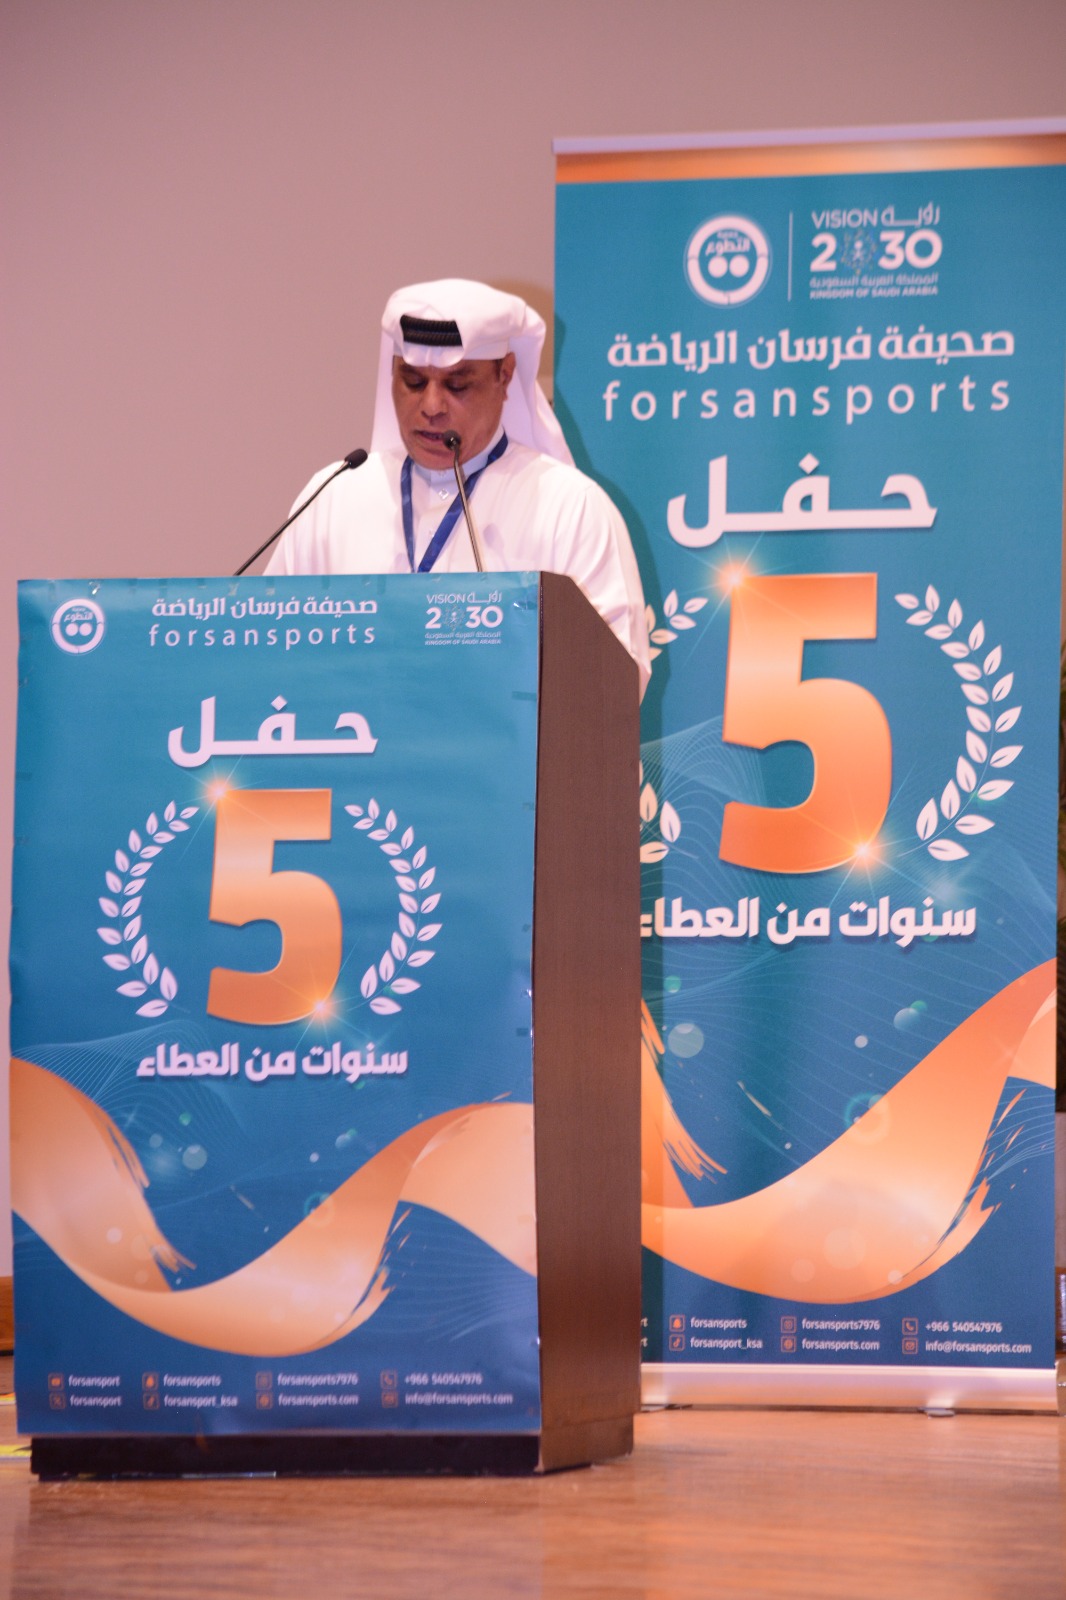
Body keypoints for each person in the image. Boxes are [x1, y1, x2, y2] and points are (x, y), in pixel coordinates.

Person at [266, 279, 650, 689]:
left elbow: (614, 682)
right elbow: (267, 645)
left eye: (457, 385)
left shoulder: (570, 507)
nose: (431, 406)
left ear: (505, 376)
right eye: (413, 381)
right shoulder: (333, 497)